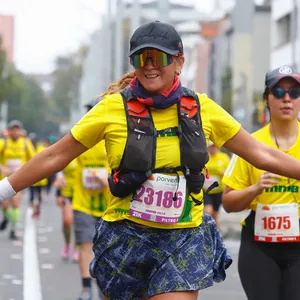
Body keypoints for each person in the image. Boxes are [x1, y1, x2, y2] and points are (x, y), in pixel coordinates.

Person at [2, 22, 300, 300]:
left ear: (179, 62)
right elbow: (56, 155)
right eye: (141, 58)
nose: (149, 66)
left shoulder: (203, 108)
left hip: (183, 236)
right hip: (125, 237)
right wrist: (5, 189)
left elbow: (261, 154)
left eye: (158, 58)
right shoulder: (111, 109)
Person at [222, 65, 300, 300]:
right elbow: (228, 202)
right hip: (259, 245)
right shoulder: (250, 145)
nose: (286, 99)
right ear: (266, 99)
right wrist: (255, 189)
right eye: (278, 93)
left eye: (294, 93)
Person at [56, 99, 109, 300]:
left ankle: (104, 289)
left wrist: (109, 180)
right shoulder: (80, 139)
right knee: (86, 244)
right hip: (83, 202)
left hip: (110, 206)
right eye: (89, 112)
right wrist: (60, 175)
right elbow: (63, 159)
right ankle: (86, 289)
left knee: (105, 251)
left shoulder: (114, 139)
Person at [0, 120, 35, 240]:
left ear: (20, 131)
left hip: (19, 180)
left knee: (15, 203)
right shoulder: (3, 143)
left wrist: (25, 171)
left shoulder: (25, 143)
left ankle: (13, 230)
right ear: (9, 131)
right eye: (13, 129)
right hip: (5, 179)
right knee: (4, 205)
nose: (15, 132)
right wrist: (1, 167)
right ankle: (6, 217)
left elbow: (34, 159)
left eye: (17, 129)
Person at [54, 159, 79, 262]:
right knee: (67, 221)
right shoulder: (71, 153)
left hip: (82, 195)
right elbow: (59, 167)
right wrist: (58, 193)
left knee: (79, 222)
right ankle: (67, 244)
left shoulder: (89, 154)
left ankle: (77, 248)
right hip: (67, 193)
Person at [203, 141, 230, 227]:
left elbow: (229, 172)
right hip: (206, 190)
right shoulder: (204, 157)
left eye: (215, 146)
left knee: (215, 214)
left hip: (219, 190)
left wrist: (224, 173)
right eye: (211, 147)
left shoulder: (223, 157)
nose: (213, 149)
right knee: (208, 211)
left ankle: (214, 234)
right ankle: (206, 230)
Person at [29, 136, 48, 218]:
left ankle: (38, 207)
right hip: (31, 178)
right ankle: (34, 211)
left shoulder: (42, 148)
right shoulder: (29, 149)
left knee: (39, 195)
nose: (34, 144)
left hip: (41, 178)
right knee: (32, 196)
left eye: (35, 143)